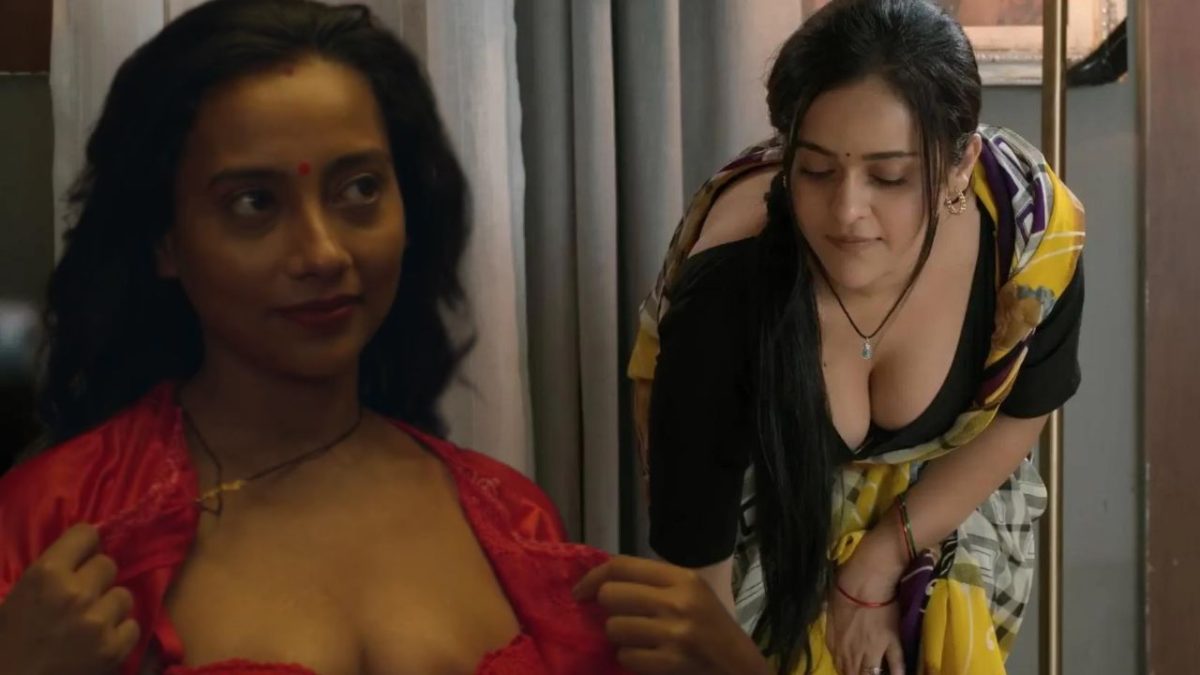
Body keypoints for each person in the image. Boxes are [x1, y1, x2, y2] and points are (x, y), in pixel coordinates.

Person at [0, 2, 627, 674]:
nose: (324, 253)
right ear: (164, 242)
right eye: (254, 203)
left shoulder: (514, 520)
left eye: (360, 188)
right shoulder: (55, 522)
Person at [606, 1, 1086, 673]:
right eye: (815, 171)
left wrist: (879, 561)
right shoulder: (724, 299)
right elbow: (697, 592)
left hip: (943, 509)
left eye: (890, 177)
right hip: (764, 530)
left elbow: (1022, 413)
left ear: (961, 164)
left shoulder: (1029, 237)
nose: (846, 211)